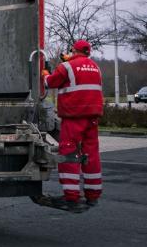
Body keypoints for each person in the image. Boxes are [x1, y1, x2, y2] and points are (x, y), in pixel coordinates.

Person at [43, 39, 104, 211]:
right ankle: (93, 195)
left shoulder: (66, 67)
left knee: (69, 152)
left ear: (74, 51)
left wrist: (45, 71)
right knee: (91, 154)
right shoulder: (95, 67)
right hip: (92, 117)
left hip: (74, 116)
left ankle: (71, 196)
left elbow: (49, 83)